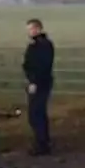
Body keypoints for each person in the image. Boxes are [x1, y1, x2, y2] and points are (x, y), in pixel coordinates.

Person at [22, 18, 55, 155]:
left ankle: (42, 144)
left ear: (38, 29)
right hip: (35, 82)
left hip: (41, 83)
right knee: (36, 113)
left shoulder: (43, 45)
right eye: (28, 29)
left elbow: (42, 66)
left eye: (31, 29)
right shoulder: (35, 45)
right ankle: (41, 142)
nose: (29, 32)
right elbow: (28, 64)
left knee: (36, 113)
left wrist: (34, 82)